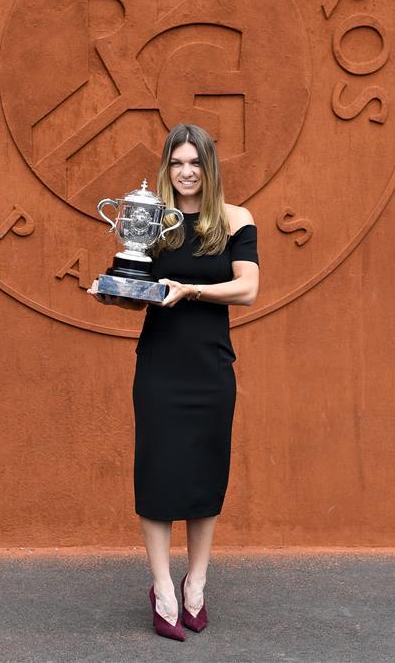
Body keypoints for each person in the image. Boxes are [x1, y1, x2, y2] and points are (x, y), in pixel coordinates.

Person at [88, 122, 259, 640]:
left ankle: (196, 584)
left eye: (195, 163)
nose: (186, 173)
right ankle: (162, 587)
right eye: (177, 163)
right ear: (166, 168)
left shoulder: (234, 220)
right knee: (158, 475)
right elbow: (139, 287)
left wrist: (190, 290)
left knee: (206, 476)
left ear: (210, 167)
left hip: (210, 367)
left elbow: (248, 288)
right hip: (160, 366)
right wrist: (111, 293)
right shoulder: (152, 223)